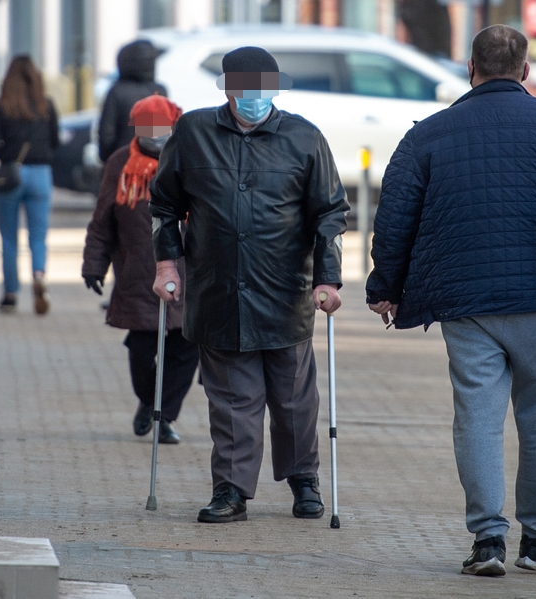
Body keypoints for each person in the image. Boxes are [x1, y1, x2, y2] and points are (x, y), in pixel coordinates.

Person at [365, 25, 536, 576]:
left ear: (470, 68)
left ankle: (488, 539)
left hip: (464, 300)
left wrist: (385, 288)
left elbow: (394, 218)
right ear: (525, 71)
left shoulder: (429, 134)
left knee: (477, 417)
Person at [149, 47, 349, 523]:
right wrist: (166, 267)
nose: (256, 98)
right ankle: (232, 491)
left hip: (285, 293)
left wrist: (328, 278)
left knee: (293, 399)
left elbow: (330, 214)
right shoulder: (193, 133)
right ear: (228, 89)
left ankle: (304, 480)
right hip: (217, 291)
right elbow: (163, 206)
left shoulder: (304, 138)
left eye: (265, 89)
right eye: (247, 89)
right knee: (234, 402)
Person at [82, 95, 197, 445]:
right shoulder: (120, 163)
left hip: (189, 273)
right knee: (143, 348)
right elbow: (102, 220)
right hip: (138, 272)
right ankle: (149, 401)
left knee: (186, 348)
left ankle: (165, 416)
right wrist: (94, 266)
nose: (154, 134)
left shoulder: (190, 160)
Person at [0, 55, 60, 315]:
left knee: (8, 236)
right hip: (41, 174)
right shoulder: (46, 106)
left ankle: (10, 294)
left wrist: (7, 150)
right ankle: (39, 275)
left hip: (10, 176)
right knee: (38, 235)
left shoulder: (0, 107)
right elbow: (56, 141)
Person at [98, 40, 167, 163]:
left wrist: (108, 160)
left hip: (124, 164)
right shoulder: (160, 91)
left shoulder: (117, 92)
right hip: (155, 166)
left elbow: (106, 136)